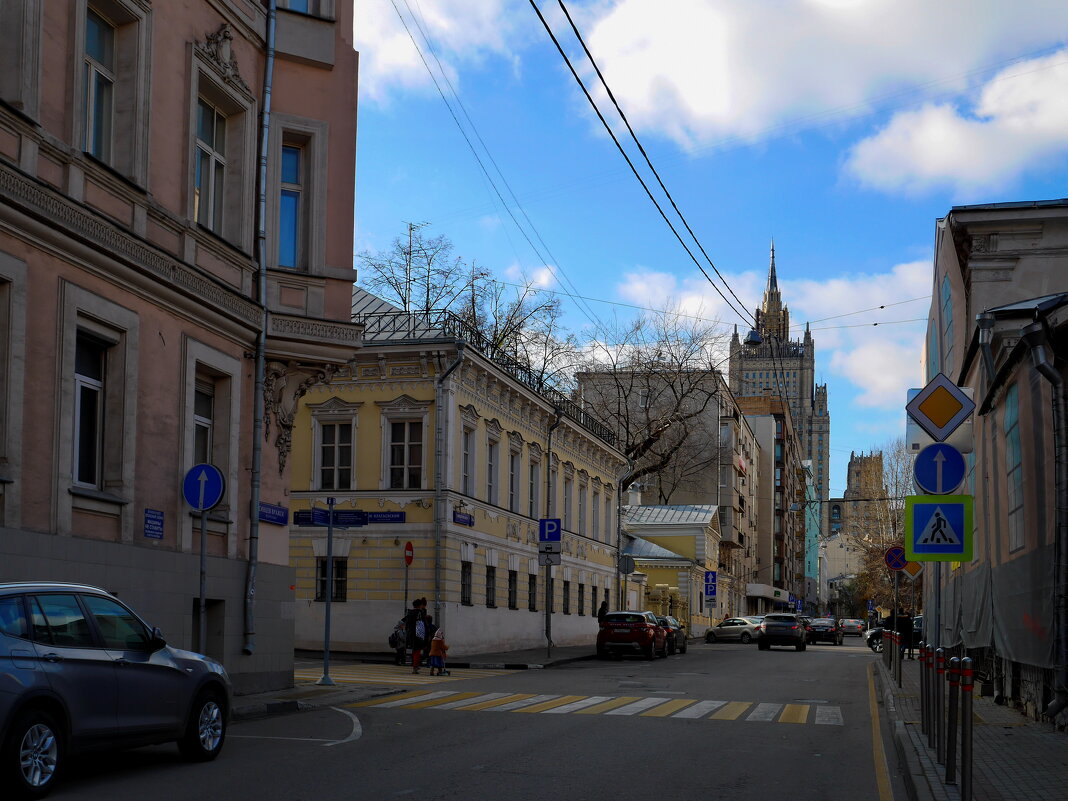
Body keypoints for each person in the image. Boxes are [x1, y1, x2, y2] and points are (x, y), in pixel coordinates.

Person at [405, 598, 427, 673]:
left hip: (411, 634)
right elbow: (424, 624)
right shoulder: (420, 613)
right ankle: (415, 667)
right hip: (418, 634)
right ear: (420, 605)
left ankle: (415, 666)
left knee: (414, 650)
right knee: (417, 651)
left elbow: (406, 623)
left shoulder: (410, 612)